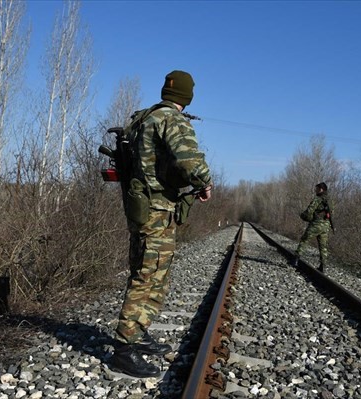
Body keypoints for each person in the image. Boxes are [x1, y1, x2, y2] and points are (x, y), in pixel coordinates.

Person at [110, 70, 213, 378]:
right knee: (148, 276)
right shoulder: (172, 120)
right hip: (155, 209)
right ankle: (123, 349)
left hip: (146, 208)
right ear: (187, 95)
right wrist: (205, 183)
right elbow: (189, 161)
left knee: (151, 273)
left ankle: (138, 331)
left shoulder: (145, 118)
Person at [293, 182, 333, 272]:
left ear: (321, 189)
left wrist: (304, 217)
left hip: (316, 224)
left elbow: (309, 211)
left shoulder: (318, 198)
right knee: (323, 246)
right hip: (326, 226)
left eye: (317, 189)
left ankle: (295, 260)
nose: (315, 190)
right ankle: (323, 266)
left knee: (304, 240)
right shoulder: (330, 200)